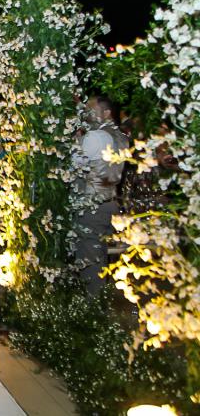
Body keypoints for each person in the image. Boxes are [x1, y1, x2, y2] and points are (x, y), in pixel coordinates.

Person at [75, 96, 128, 295]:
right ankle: (99, 302)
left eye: (91, 108)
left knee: (90, 265)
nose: (86, 112)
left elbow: (72, 164)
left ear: (106, 113)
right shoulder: (120, 136)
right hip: (110, 204)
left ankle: (93, 309)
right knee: (101, 260)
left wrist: (76, 140)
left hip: (92, 207)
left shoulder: (95, 137)